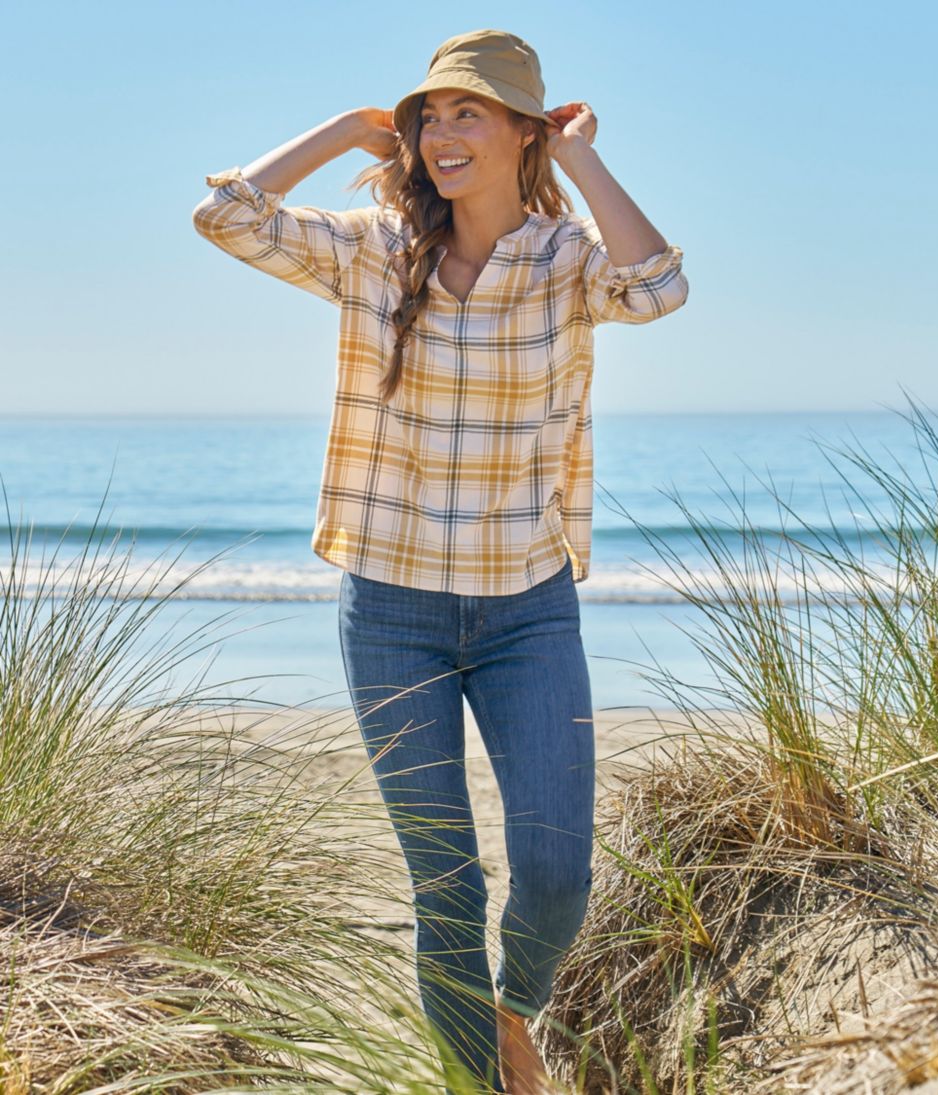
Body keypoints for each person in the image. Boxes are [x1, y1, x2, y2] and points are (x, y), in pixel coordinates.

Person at [192, 27, 688, 1095]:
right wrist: (346, 129)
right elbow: (223, 215)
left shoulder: (563, 259)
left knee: (554, 870)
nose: (442, 133)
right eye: (430, 115)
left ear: (524, 132)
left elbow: (656, 287)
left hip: (527, 611)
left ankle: (512, 1011)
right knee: (445, 884)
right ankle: (475, 1081)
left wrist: (582, 156)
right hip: (391, 610)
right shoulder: (372, 246)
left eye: (472, 112)